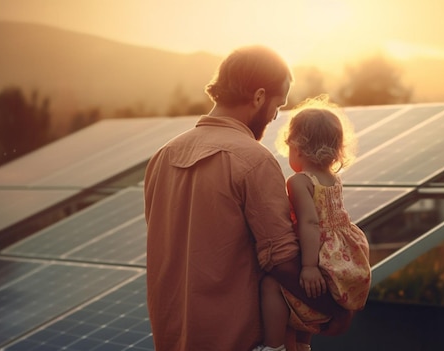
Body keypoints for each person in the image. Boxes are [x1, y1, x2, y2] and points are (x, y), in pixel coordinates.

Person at [143, 46, 346, 351]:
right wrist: (338, 310)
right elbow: (281, 259)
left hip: (172, 337)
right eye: (278, 105)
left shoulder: (163, 156)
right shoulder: (253, 160)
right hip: (235, 340)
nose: (275, 115)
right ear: (259, 97)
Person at [257, 96, 372, 351]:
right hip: (341, 265)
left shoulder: (300, 181)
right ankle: (302, 346)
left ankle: (273, 347)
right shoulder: (333, 178)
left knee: (271, 285)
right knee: (303, 302)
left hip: (320, 261)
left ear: (296, 147)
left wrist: (309, 267)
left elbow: (310, 223)